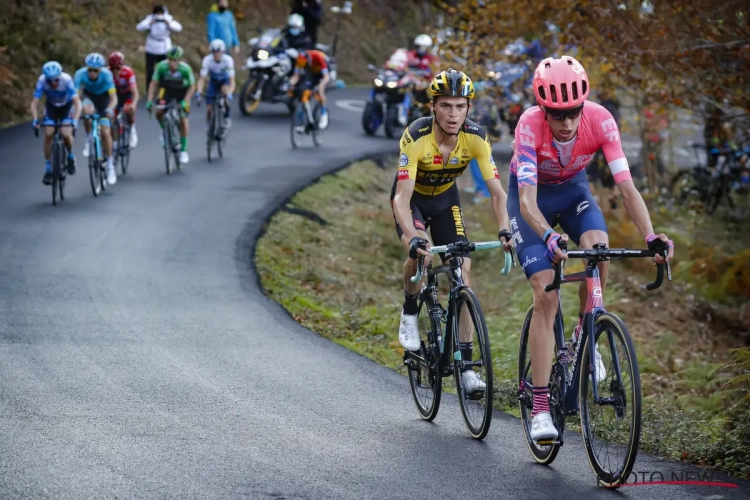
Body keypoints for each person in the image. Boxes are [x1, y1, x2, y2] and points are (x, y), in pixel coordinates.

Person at [506, 55, 674, 442]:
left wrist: (651, 236)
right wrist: (548, 235)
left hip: (574, 192)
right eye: (557, 115)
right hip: (531, 201)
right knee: (546, 293)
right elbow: (527, 202)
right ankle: (542, 408)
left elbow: (627, 188)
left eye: (573, 113)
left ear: (584, 104)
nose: (566, 124)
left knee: (600, 248)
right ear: (543, 108)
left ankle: (588, 330)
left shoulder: (601, 121)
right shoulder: (529, 125)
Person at [391, 69, 513, 392]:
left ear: (468, 109)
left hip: (446, 201)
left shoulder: (476, 137)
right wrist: (414, 235)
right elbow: (400, 199)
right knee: (422, 257)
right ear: (433, 107)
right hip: (413, 202)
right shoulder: (415, 137)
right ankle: (409, 311)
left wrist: (504, 229)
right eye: (446, 106)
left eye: (460, 106)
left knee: (464, 270)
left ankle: (467, 366)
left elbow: (498, 193)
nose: (453, 114)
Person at [30, 61, 82, 185]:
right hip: (52, 107)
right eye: (50, 81)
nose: (53, 83)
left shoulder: (67, 80)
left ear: (60, 77)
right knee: (49, 133)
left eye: (56, 80)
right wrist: (35, 120)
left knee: (65, 133)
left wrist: (75, 120)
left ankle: (70, 156)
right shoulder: (42, 80)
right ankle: (48, 169)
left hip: (67, 107)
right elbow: (34, 103)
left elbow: (78, 103)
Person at [145, 46, 196, 165]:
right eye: (170, 60)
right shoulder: (162, 67)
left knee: (183, 120)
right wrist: (149, 100)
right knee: (158, 112)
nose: (172, 63)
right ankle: (165, 130)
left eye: (175, 60)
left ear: (179, 60)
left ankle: (183, 150)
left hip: (182, 92)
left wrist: (186, 100)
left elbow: (192, 86)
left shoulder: (185, 69)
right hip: (167, 91)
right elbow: (154, 84)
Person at [75, 53, 118, 185]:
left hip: (104, 99)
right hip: (89, 96)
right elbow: (75, 97)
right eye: (90, 70)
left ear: (100, 70)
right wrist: (74, 111)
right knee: (87, 111)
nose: (92, 73)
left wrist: (110, 109)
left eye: (95, 70)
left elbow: (113, 98)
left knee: (105, 132)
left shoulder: (106, 75)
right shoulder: (80, 74)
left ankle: (110, 165)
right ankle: (89, 139)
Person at [137, 4, 183, 92]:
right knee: (150, 70)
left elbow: (179, 28)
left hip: (164, 48)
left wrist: (168, 22)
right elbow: (139, 27)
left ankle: (165, 89)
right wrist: (150, 23)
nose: (159, 15)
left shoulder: (168, 18)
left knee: (165, 70)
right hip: (152, 47)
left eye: (160, 13)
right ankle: (149, 90)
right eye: (157, 13)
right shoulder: (150, 18)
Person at [196, 39, 236, 129]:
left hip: (225, 80)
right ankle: (210, 127)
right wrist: (199, 91)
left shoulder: (228, 60)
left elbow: (232, 80)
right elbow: (202, 79)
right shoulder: (207, 60)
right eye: (214, 53)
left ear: (223, 52)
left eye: (218, 52)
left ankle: (227, 117)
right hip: (213, 81)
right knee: (209, 108)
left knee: (225, 91)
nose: (216, 55)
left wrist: (230, 92)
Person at [286, 48, 330, 130]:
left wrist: (321, 85)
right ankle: (304, 117)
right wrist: (289, 84)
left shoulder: (317, 57)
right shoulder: (300, 60)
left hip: (322, 72)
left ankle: (324, 113)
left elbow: (326, 77)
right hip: (311, 73)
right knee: (304, 91)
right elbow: (296, 76)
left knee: (320, 90)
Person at [107, 51, 139, 149]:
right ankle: (115, 142)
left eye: (118, 68)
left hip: (126, 96)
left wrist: (133, 104)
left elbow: (135, 92)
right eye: (112, 68)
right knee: (112, 118)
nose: (115, 71)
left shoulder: (128, 72)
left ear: (122, 66)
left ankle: (132, 129)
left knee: (128, 110)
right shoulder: (107, 73)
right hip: (114, 96)